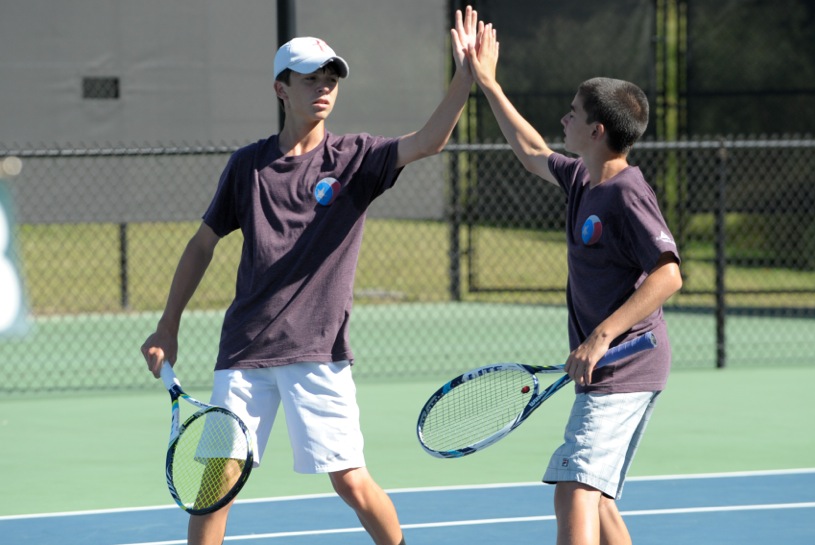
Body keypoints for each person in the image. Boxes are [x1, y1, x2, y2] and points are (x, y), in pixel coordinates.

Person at [140, 7, 484, 545]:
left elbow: (428, 141)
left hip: (318, 353)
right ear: (281, 89)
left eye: (330, 80)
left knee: (350, 481)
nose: (323, 89)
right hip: (245, 351)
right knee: (218, 484)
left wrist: (465, 79)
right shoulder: (247, 166)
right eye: (310, 80)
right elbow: (202, 243)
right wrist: (168, 326)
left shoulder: (356, 159)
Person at [467, 25, 683, 545]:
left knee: (574, 488)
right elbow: (529, 148)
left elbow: (669, 274)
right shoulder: (583, 178)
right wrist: (489, 85)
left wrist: (600, 336)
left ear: (598, 131)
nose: (564, 118)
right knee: (598, 499)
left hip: (627, 363)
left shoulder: (627, 193)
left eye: (574, 113)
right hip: (611, 366)